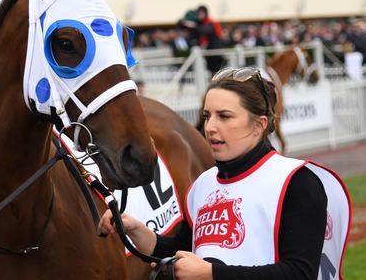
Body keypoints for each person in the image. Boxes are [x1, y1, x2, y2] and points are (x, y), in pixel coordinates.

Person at [99, 67, 350, 280]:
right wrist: (135, 230)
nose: (210, 127)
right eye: (207, 116)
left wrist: (211, 274)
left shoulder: (297, 181)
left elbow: (299, 273)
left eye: (224, 116)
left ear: (259, 125)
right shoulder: (204, 183)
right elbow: (179, 249)